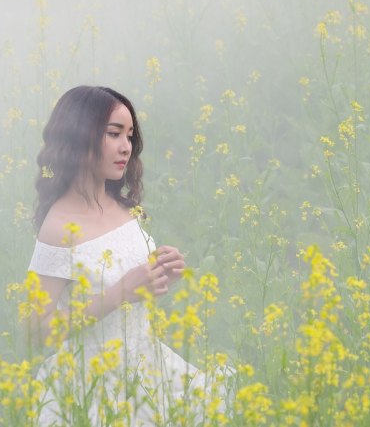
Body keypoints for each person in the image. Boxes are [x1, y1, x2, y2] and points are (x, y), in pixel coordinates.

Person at [27, 86, 230, 426]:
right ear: (80, 136)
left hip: (150, 370)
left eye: (130, 136)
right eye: (113, 134)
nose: (126, 147)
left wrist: (163, 271)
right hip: (93, 387)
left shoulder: (122, 206)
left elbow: (135, 289)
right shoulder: (58, 226)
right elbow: (37, 331)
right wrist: (120, 293)